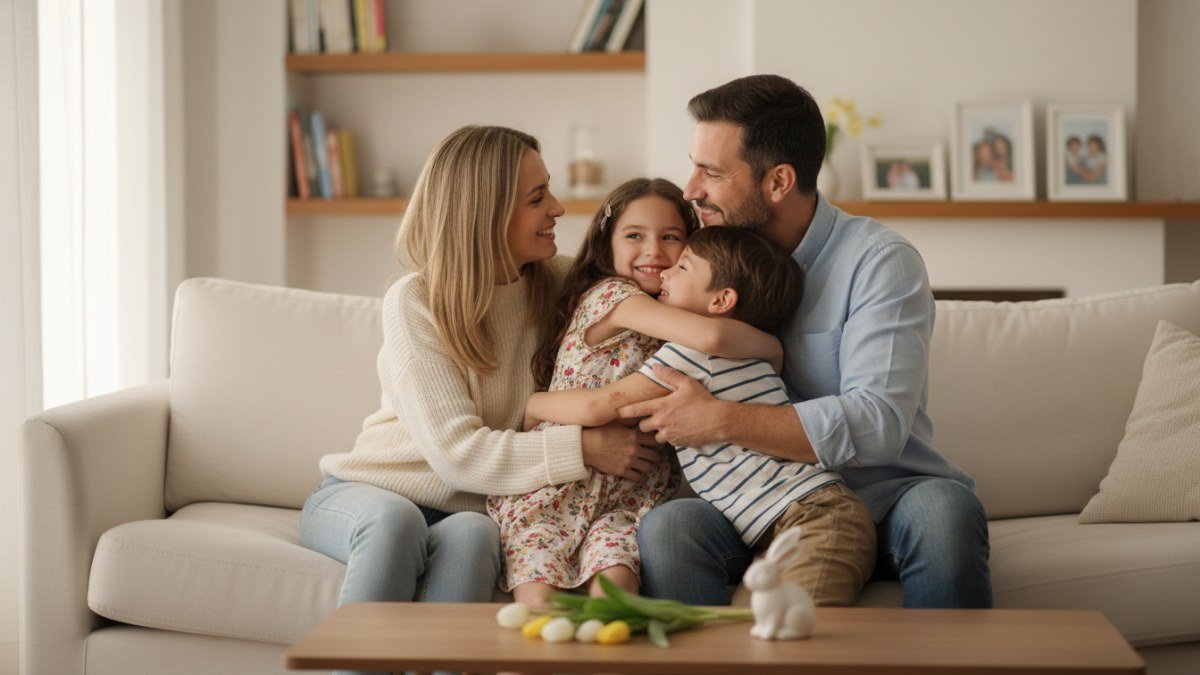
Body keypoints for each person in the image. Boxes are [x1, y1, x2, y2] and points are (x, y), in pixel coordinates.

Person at [299, 126, 663, 671]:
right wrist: (584, 447)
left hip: (469, 507)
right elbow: (458, 453)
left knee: (475, 536)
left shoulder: (565, 285)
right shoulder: (416, 299)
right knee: (395, 524)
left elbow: (655, 283)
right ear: (485, 212)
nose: (558, 208)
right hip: (370, 490)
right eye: (537, 197)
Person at [626, 74, 993, 609]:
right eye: (694, 166)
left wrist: (720, 419)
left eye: (712, 173)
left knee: (944, 511)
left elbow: (878, 423)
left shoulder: (878, 262)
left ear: (778, 181)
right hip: (760, 501)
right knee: (670, 526)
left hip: (886, 499)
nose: (690, 190)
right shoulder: (705, 256)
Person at [523, 226, 877, 606]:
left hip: (816, 516)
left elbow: (597, 407)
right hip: (783, 525)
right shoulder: (747, 349)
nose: (666, 271)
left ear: (721, 300)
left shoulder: (690, 356)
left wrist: (533, 404)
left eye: (683, 267)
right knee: (754, 632)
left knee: (792, 632)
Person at [488, 178, 785, 610]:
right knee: (540, 597)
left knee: (616, 588)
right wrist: (774, 348)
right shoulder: (616, 295)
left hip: (628, 499)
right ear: (607, 244)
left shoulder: (673, 314)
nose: (653, 251)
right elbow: (715, 336)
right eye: (634, 236)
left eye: (671, 237)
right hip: (558, 486)